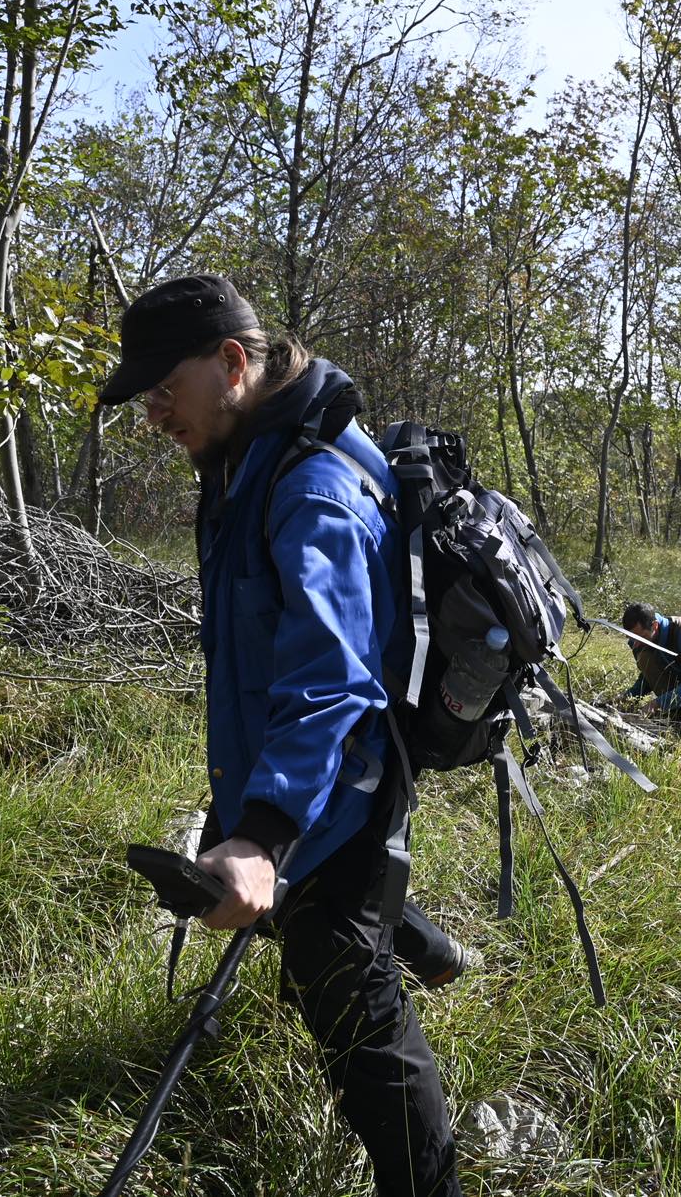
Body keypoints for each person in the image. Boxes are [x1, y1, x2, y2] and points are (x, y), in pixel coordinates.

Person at [97, 273, 461, 1197]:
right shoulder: (243, 452)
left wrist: (262, 834)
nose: (153, 413)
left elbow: (333, 679)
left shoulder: (313, 486)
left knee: (351, 1008)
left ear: (231, 362)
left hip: (337, 785)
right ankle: (426, 944)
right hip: (302, 779)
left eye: (162, 388)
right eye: (142, 395)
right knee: (324, 939)